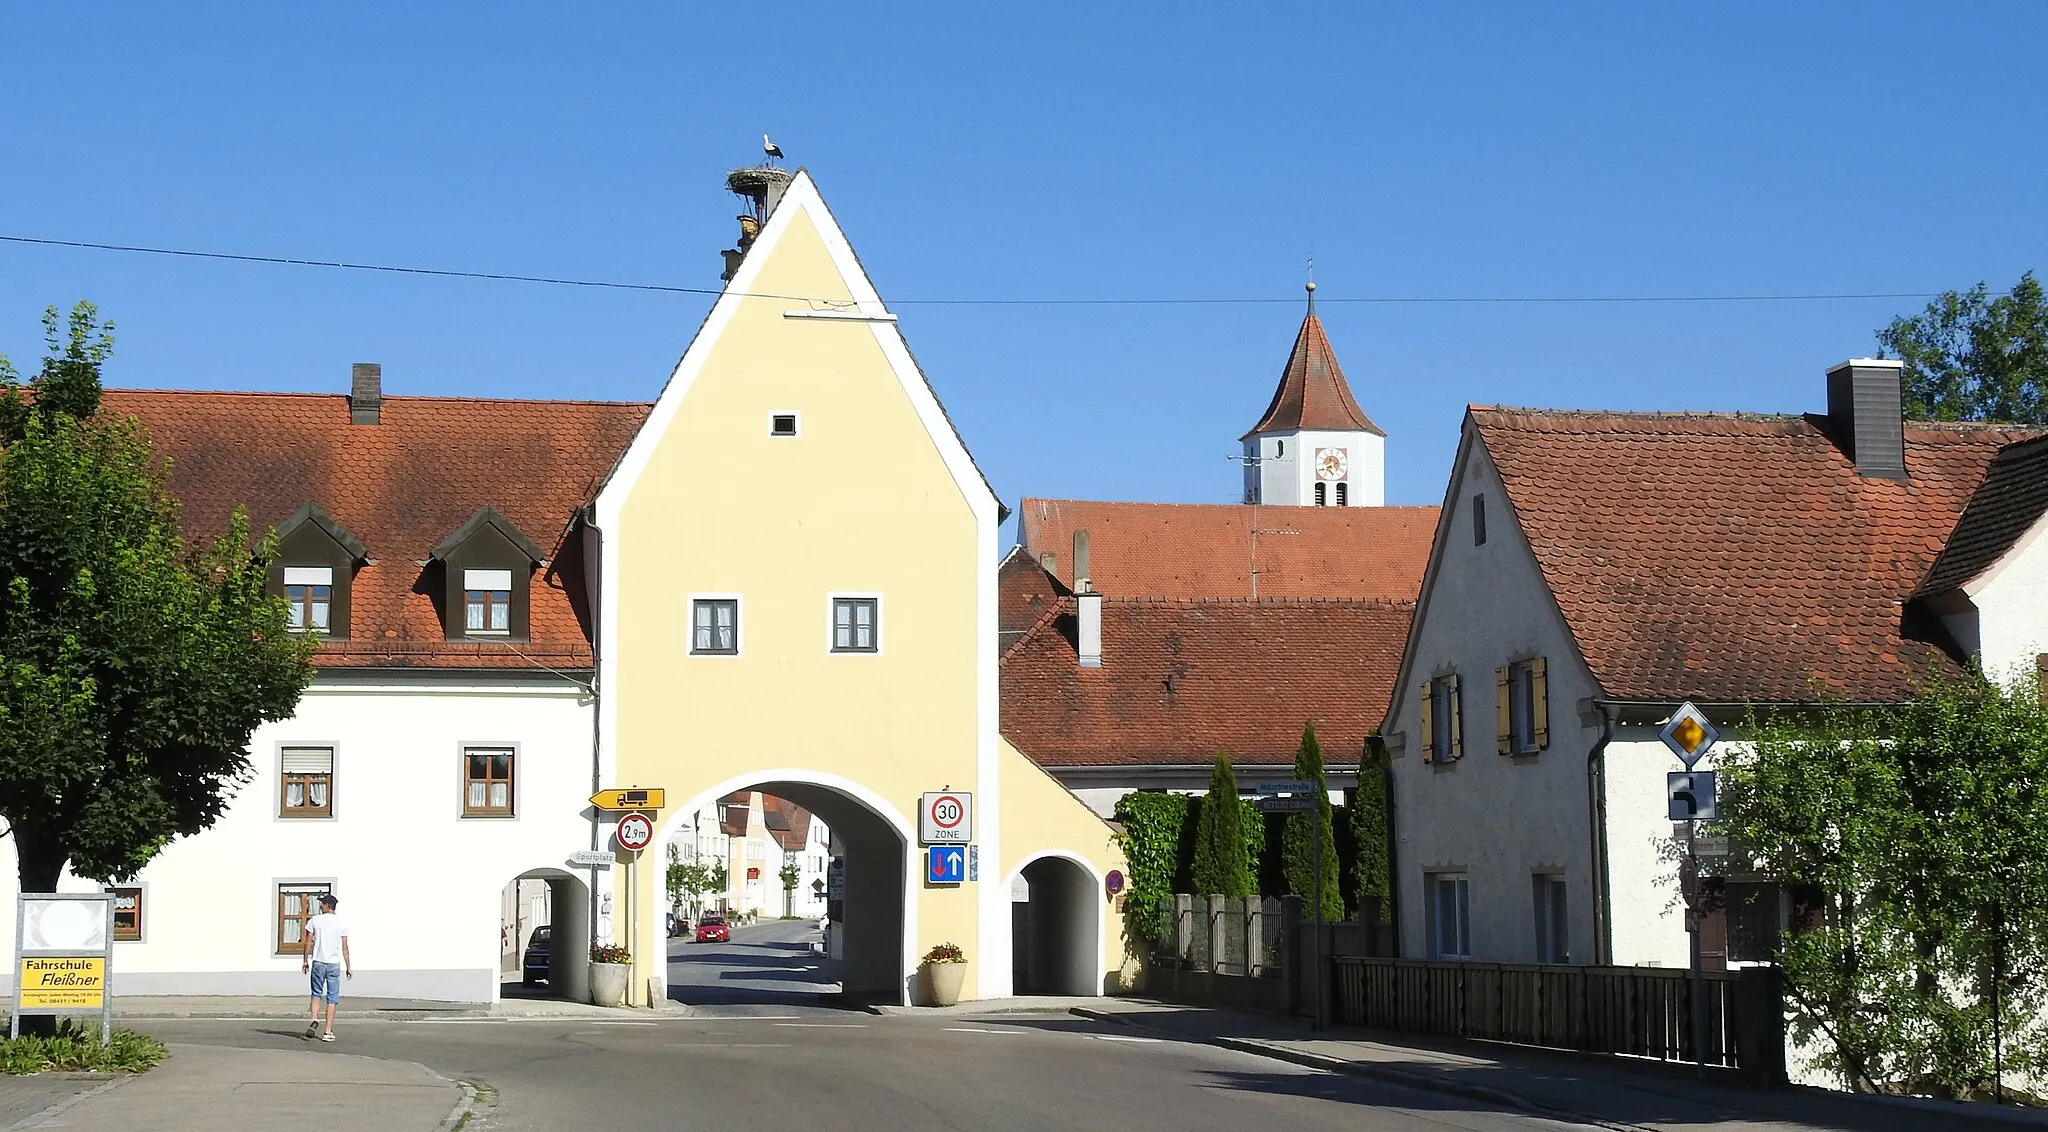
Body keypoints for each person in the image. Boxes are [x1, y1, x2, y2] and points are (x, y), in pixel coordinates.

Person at [302, 893, 352, 1042]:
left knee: (316, 993)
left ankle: (314, 1018)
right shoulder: (342, 923)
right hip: (333, 963)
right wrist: (348, 966)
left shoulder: (315, 921)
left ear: (326, 906)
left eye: (322, 903)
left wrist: (305, 960)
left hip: (318, 961)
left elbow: (308, 942)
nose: (321, 906)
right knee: (332, 997)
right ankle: (328, 1031)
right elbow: (344, 947)